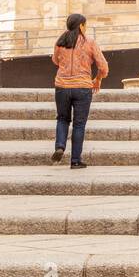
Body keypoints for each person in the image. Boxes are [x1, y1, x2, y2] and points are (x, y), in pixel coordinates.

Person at [50, 13, 109, 169]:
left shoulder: (60, 42)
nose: (86, 28)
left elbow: (55, 60)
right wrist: (97, 79)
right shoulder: (89, 42)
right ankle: (75, 160)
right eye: (85, 25)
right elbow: (103, 67)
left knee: (62, 119)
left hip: (62, 87)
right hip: (82, 87)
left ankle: (60, 146)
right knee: (79, 124)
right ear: (81, 26)